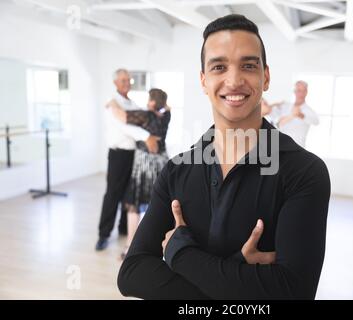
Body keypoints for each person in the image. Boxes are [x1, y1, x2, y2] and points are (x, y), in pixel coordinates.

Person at [117, 14, 330, 299]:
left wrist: (180, 254)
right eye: (219, 66)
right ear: (204, 80)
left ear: (265, 77)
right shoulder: (176, 171)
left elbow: (295, 292)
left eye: (248, 65)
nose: (234, 80)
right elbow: (131, 274)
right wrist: (236, 276)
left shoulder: (304, 172)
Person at [96, 69, 158, 251]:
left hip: (134, 154)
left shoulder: (131, 103)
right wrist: (147, 137)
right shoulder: (112, 103)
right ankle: (103, 235)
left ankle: (124, 227)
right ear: (115, 82)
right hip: (118, 154)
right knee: (113, 194)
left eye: (128, 80)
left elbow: (143, 117)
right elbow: (125, 126)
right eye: (122, 80)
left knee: (129, 193)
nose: (126, 82)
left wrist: (158, 109)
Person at [107, 88, 171, 259]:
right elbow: (167, 107)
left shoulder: (145, 116)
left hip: (144, 164)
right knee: (159, 204)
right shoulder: (166, 116)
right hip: (162, 162)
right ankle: (160, 247)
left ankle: (129, 247)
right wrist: (161, 105)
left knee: (134, 205)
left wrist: (112, 102)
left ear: (151, 102)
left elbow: (120, 115)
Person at [274, 81, 319, 148]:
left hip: (298, 147)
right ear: (294, 91)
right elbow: (278, 123)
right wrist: (293, 115)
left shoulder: (309, 110)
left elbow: (316, 121)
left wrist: (301, 115)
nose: (301, 93)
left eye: (303, 90)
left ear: (306, 92)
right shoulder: (286, 107)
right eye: (298, 90)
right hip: (281, 147)